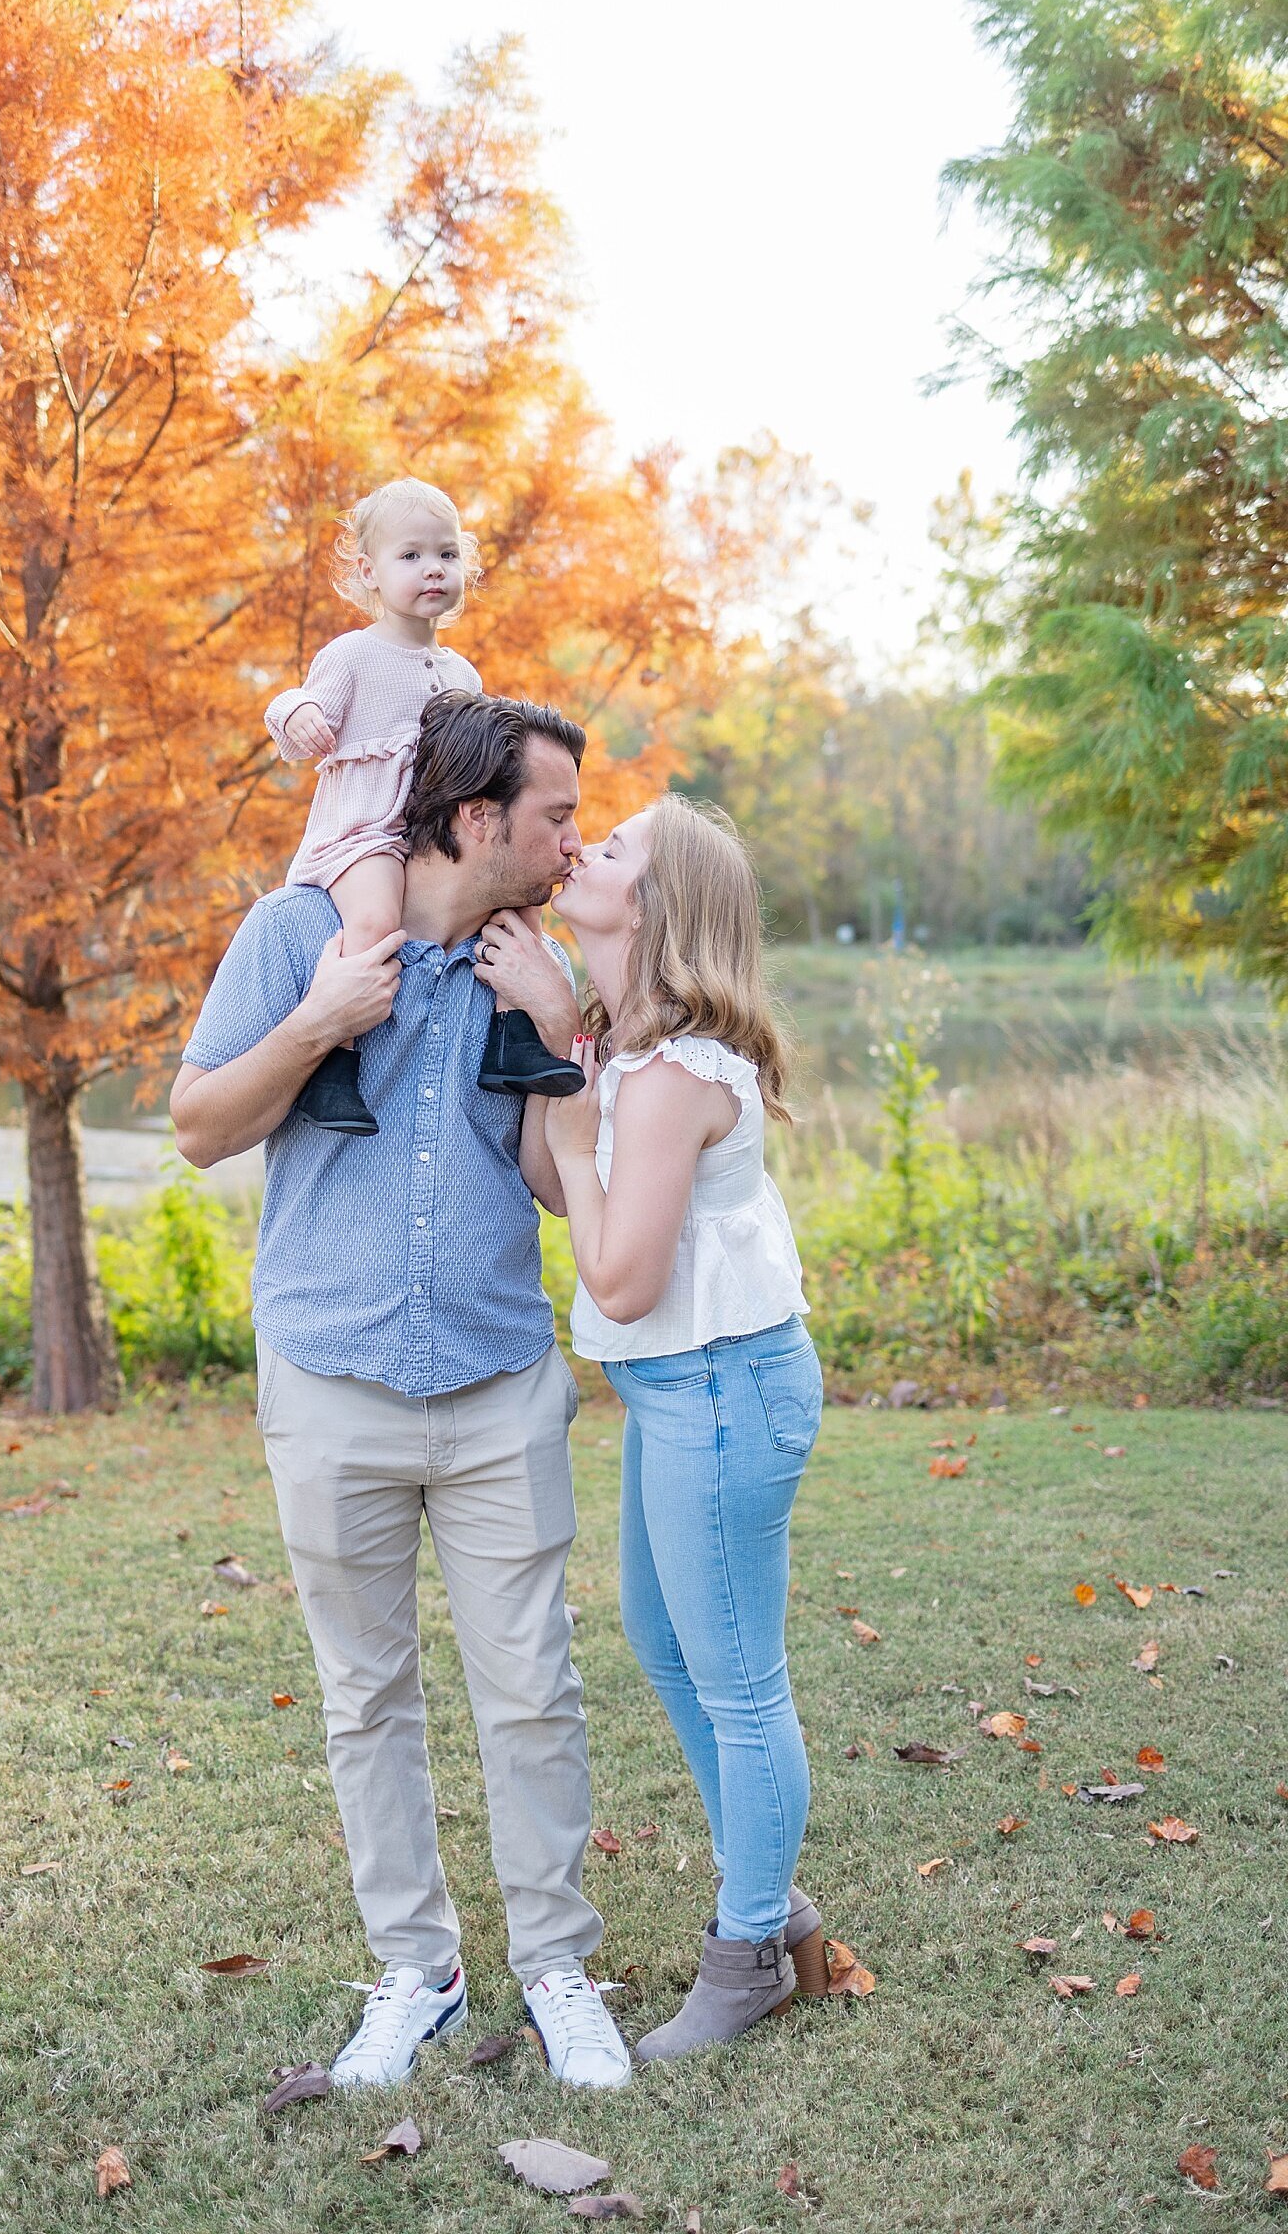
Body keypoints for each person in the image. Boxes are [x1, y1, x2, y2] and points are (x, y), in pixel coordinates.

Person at [170, 693, 632, 2093]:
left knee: (533, 1691)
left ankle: (556, 1968)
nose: (573, 840)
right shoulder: (296, 936)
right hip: (332, 1380)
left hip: (498, 1382)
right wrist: (318, 1022)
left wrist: (566, 1036)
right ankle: (414, 1973)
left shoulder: (534, 964)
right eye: (555, 815)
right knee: (366, 1697)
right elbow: (199, 1127)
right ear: (478, 818)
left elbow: (562, 1190)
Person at [490, 792, 825, 2063]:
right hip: (676, 1388)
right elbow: (553, 1178)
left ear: (658, 904)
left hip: (727, 1385)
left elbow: (618, 1276)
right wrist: (551, 1039)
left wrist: (578, 1131)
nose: (582, 848)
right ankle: (774, 1895)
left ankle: (747, 1956)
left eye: (612, 847)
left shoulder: (681, 1076)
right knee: (665, 1643)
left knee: (740, 1684)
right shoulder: (632, 1052)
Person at [263, 477, 582, 1132]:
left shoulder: (462, 674)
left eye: (445, 554)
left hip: (428, 835)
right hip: (363, 835)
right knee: (377, 920)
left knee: (523, 903)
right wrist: (300, 720)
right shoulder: (353, 654)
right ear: (368, 572)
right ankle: (334, 1063)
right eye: (410, 556)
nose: (431, 569)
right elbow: (289, 704)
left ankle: (511, 1040)